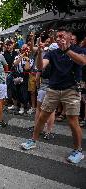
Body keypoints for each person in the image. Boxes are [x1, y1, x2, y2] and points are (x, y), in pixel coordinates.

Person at [21, 28, 86, 164]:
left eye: (61, 36)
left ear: (69, 38)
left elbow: (82, 62)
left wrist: (66, 50)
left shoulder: (78, 50)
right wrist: (39, 52)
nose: (58, 38)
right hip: (53, 88)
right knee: (42, 116)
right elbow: (40, 66)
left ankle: (78, 150)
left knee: (72, 120)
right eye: (57, 36)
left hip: (71, 89)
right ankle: (33, 140)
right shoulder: (52, 53)